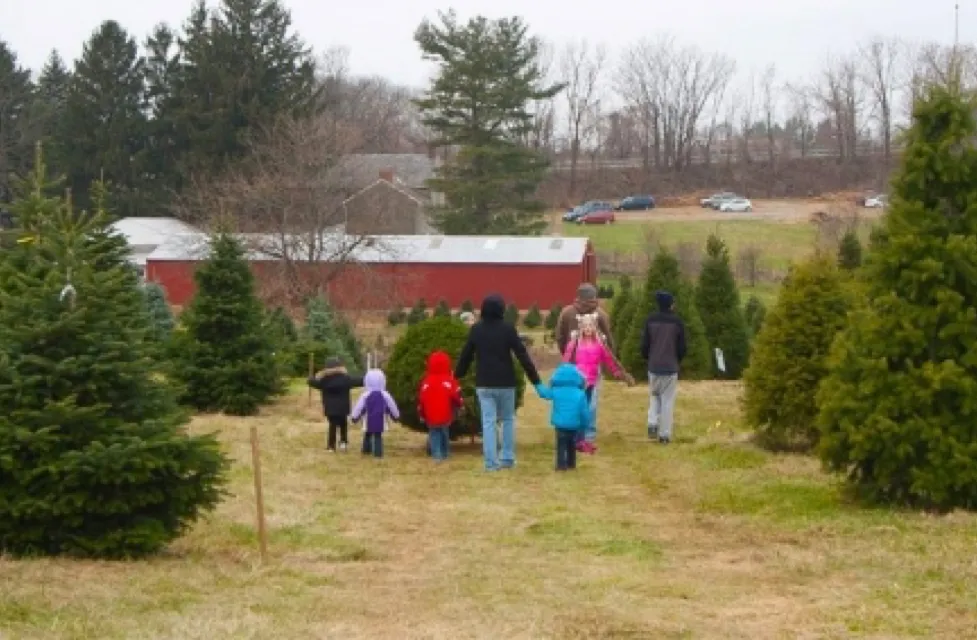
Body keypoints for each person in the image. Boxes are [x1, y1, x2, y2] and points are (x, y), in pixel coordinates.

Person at [455, 294, 543, 471]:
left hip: (484, 382)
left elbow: (466, 355)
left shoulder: (476, 330)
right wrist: (536, 381)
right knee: (508, 420)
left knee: (488, 422)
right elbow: (522, 355)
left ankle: (490, 462)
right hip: (506, 382)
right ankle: (508, 458)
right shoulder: (508, 329)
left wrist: (457, 375)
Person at [563, 315, 634, 453]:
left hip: (591, 382)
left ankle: (580, 440)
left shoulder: (599, 344)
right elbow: (566, 360)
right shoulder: (575, 343)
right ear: (581, 328)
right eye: (585, 326)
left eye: (590, 326)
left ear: (594, 328)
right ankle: (573, 439)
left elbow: (608, 359)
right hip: (578, 383)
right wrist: (563, 376)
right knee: (576, 411)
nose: (588, 329)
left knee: (586, 411)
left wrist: (617, 372)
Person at [639, 290, 686, 444]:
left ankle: (652, 423)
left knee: (654, 395)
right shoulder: (677, 323)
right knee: (667, 401)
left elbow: (644, 345)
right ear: (670, 305)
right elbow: (682, 347)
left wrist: (648, 358)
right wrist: (677, 360)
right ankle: (664, 435)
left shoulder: (650, 321)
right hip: (670, 367)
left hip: (654, 365)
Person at [535, 364, 591, 471]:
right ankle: (571, 464)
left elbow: (544, 394)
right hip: (574, 425)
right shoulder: (580, 394)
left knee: (561, 445)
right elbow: (584, 412)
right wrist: (584, 425)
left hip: (560, 425)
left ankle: (561, 465)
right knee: (571, 445)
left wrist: (537, 384)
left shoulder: (556, 391)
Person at [307, 356, 364, 452]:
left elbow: (310, 381)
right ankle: (343, 443)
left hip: (330, 407)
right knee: (343, 424)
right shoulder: (346, 378)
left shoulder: (324, 380)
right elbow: (360, 381)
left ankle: (331, 446)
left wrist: (319, 374)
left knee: (332, 425)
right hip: (343, 407)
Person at [418, 350, 463, 462]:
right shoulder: (449, 381)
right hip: (445, 414)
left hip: (431, 415)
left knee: (434, 434)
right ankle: (445, 453)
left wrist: (422, 414)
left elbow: (422, 400)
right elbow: (456, 396)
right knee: (444, 433)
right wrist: (460, 404)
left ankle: (436, 455)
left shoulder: (426, 382)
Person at [351, 369, 400, 458]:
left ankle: (366, 450)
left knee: (367, 433)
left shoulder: (365, 395)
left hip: (368, 419)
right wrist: (396, 416)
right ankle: (378, 453)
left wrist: (354, 417)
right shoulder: (385, 394)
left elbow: (359, 407)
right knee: (378, 436)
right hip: (380, 419)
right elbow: (392, 405)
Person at [555, 283, 614, 355]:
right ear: (594, 296)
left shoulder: (566, 312)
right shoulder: (602, 314)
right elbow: (609, 340)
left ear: (578, 296)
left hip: (572, 362)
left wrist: (567, 354)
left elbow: (559, 337)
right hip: (596, 362)